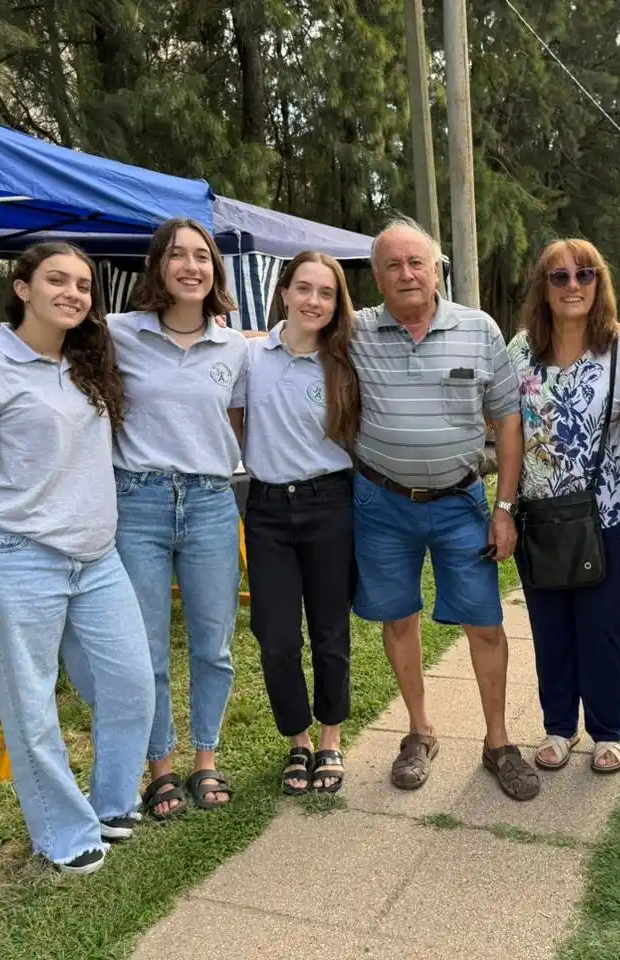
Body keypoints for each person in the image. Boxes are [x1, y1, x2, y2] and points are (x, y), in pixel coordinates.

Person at [0, 242, 154, 876]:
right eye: (56, 280)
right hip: (17, 557)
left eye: (84, 284)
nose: (73, 293)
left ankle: (112, 803)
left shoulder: (86, 363)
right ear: (23, 287)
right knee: (31, 705)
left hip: (97, 558)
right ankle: (62, 831)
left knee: (131, 686)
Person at [350, 216, 539, 802]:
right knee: (398, 617)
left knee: (485, 622)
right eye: (392, 265)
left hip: (461, 503)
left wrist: (505, 507)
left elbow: (510, 422)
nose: (406, 274)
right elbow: (291, 338)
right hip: (380, 503)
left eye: (417, 263)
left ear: (437, 270)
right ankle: (419, 731)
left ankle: (498, 743)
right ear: (377, 276)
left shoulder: (479, 330)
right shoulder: (352, 331)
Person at [108, 218, 248, 819]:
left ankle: (206, 761)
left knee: (214, 644)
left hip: (213, 502)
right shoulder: (117, 333)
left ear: (215, 268)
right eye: (177, 256)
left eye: (202, 256)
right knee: (147, 648)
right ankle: (160, 767)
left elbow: (240, 423)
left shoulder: (236, 347)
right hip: (136, 502)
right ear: (158, 267)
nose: (191, 266)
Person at [508, 239, 620, 774]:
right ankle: (559, 727)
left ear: (599, 283)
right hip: (539, 518)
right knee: (551, 627)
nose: (571, 286)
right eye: (558, 277)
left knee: (604, 626)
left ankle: (607, 731)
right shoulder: (519, 351)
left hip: (606, 514)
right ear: (543, 287)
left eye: (583, 275)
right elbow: (508, 433)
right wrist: (503, 506)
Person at [242, 251, 360, 794]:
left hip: (329, 503)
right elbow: (236, 419)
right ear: (285, 291)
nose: (314, 301)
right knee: (276, 635)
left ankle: (330, 737)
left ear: (337, 304)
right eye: (305, 289)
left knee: (330, 630)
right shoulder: (251, 357)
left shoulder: (344, 360)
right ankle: (298, 738)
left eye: (327, 293)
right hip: (267, 509)